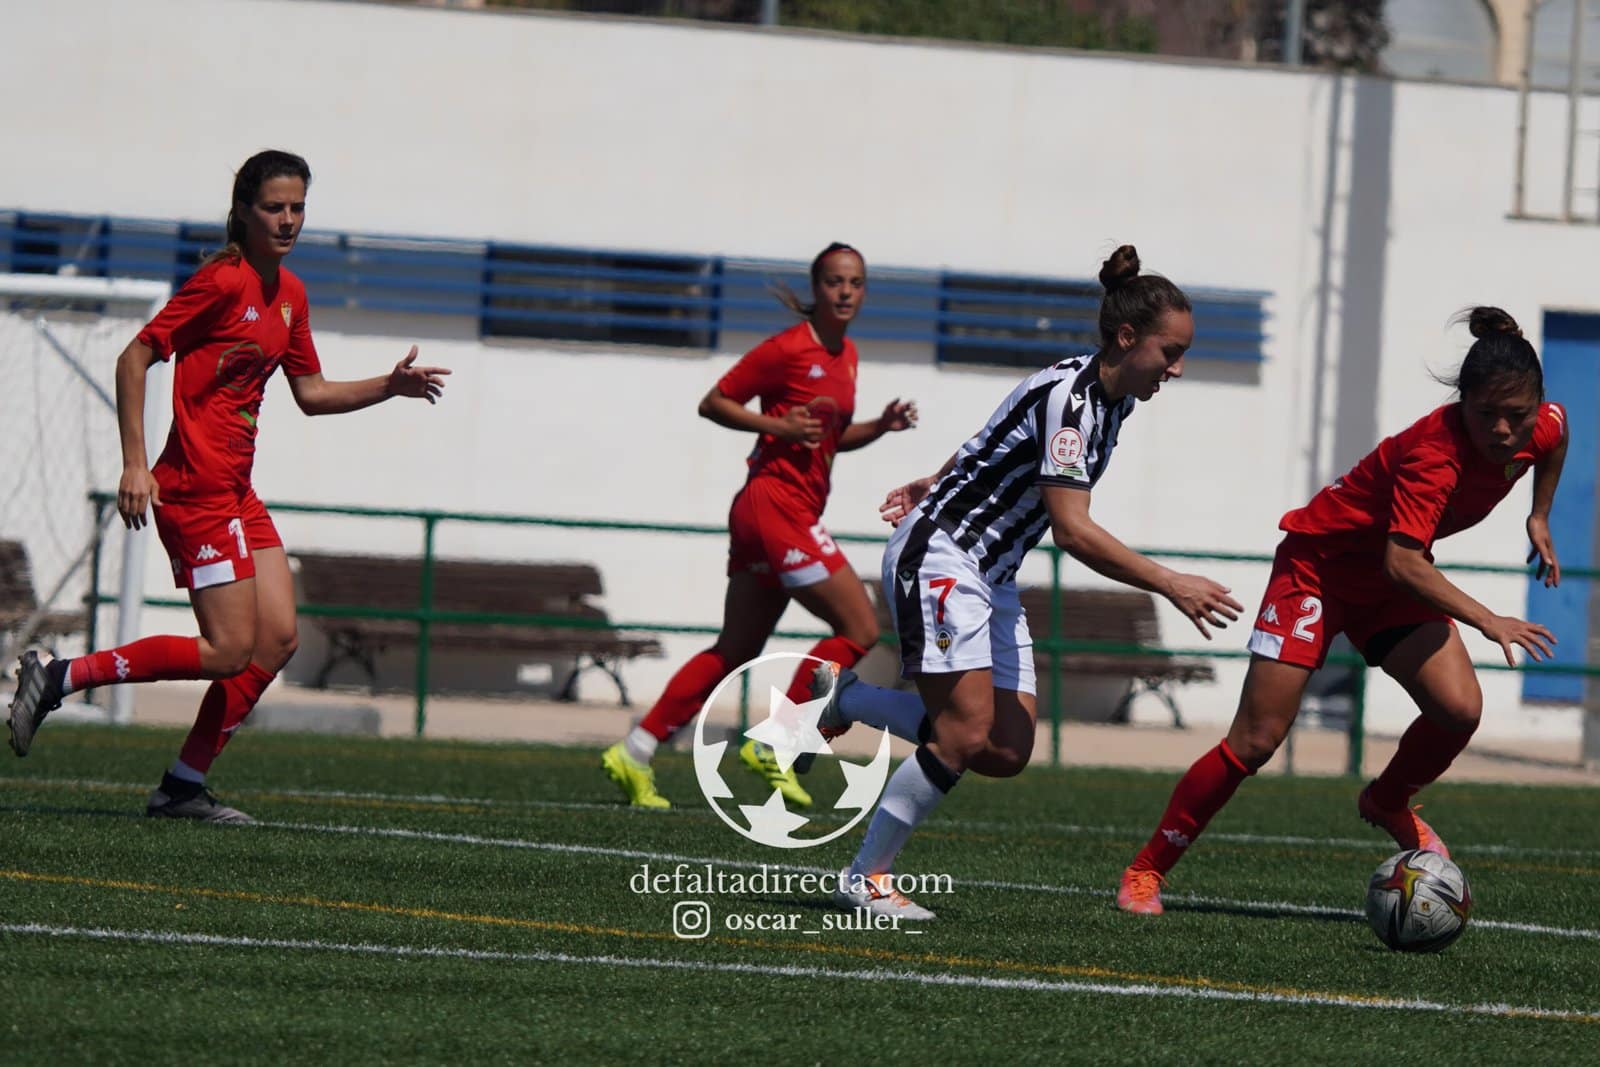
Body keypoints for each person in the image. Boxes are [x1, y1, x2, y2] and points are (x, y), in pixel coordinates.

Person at [4, 150, 451, 823]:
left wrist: (388, 387)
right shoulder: (221, 282)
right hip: (191, 489)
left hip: (236, 491)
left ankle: (183, 784)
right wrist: (135, 463)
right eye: (275, 206)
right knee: (227, 650)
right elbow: (136, 356)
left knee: (277, 640)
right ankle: (61, 677)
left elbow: (312, 392)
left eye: (298, 207)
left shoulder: (290, 295)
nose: (289, 219)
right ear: (243, 210)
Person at [814, 245, 1242, 919]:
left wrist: (941, 475)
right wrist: (1168, 581)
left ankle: (853, 698)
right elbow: (1072, 530)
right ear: (1128, 338)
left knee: (1006, 748)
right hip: (944, 557)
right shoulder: (1072, 401)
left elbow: (995, 434)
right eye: (1170, 351)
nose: (1177, 368)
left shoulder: (1112, 399)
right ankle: (866, 876)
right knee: (963, 732)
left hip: (992, 572)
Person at [1115, 306, 1567, 916]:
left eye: (1517, 416)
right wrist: (1489, 620)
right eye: (1485, 415)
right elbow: (1405, 563)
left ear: (1539, 405)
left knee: (1459, 710)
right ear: (1463, 405)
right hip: (1318, 572)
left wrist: (1537, 515)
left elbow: (1556, 440)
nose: (1503, 432)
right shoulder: (1435, 455)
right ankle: (1146, 870)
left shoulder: (1543, 426)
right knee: (1256, 741)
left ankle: (1387, 801)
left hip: (1385, 579)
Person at [601, 243, 917, 810]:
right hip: (776, 508)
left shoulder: (846, 355)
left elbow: (829, 437)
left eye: (857, 283)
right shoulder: (787, 349)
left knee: (736, 646)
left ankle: (635, 750)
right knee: (861, 626)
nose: (846, 292)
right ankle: (780, 739)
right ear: (816, 288)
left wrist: (880, 426)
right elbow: (714, 402)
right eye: (835, 282)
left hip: (777, 512)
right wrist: (774, 423)